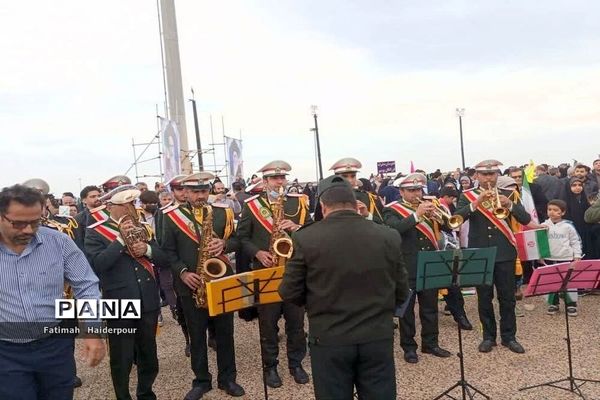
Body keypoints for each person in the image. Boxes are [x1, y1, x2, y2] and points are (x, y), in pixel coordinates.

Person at [279, 175, 410, 400]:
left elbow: (289, 291)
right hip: (376, 335)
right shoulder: (388, 235)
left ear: (322, 206)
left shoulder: (307, 238)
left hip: (330, 337)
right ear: (355, 203)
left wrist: (316, 302)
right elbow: (402, 290)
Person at [0, 184, 106, 400]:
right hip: (5, 353)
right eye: (19, 223)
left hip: (54, 346)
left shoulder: (59, 242)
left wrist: (92, 330)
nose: (28, 230)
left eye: (35, 222)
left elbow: (86, 285)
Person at [161, 172, 245, 400]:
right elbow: (167, 251)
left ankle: (228, 378)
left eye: (204, 191)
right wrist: (182, 272)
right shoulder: (170, 216)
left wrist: (225, 244)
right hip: (191, 283)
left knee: (225, 333)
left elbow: (239, 239)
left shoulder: (222, 212)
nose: (200, 195)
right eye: (195, 191)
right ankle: (201, 380)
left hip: (221, 280)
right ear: (185, 192)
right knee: (197, 334)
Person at [85, 188, 168, 400]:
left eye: (133, 204)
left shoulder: (144, 228)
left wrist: (147, 251)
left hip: (147, 299)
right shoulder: (95, 231)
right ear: (111, 207)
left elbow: (163, 258)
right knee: (122, 357)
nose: (131, 209)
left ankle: (146, 393)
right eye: (126, 206)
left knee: (149, 354)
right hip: (119, 302)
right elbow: (98, 264)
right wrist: (121, 240)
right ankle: (123, 396)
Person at [237, 160, 311, 388]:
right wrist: (257, 253)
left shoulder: (298, 203)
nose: (280, 182)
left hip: (293, 271)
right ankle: (270, 367)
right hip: (265, 270)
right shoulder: (251, 205)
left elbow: (311, 230)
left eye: (282, 178)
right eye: (275, 178)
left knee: (296, 324)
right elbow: (242, 238)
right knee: (267, 325)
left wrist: (297, 228)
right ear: (265, 181)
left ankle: (295, 364)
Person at [454, 160, 531, 354]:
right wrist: (476, 203)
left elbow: (526, 219)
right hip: (479, 252)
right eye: (484, 175)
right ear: (477, 176)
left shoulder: (509, 194)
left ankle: (509, 337)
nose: (489, 178)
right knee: (484, 298)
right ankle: (488, 337)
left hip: (504, 252)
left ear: (497, 175)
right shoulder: (467, 196)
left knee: (507, 298)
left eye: (492, 174)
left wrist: (510, 205)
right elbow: (457, 218)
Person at [383, 173, 452, 363]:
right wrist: (417, 215)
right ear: (401, 191)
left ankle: (431, 343)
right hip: (407, 265)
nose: (416, 193)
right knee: (407, 311)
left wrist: (439, 218)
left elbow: (448, 226)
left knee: (430, 307)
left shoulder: (432, 205)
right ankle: (409, 347)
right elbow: (393, 230)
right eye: (411, 190)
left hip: (430, 262)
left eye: (418, 189)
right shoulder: (392, 209)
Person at [541, 199, 582, 317]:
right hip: (549, 258)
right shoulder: (543, 225)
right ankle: (553, 303)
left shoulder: (568, 226)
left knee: (569, 282)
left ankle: (571, 304)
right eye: (549, 209)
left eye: (555, 210)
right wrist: (540, 256)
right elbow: (540, 242)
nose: (552, 212)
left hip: (566, 258)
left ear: (562, 212)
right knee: (550, 282)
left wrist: (577, 256)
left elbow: (575, 241)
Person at [314, 157, 384, 223]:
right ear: (336, 177)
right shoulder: (326, 198)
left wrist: (368, 215)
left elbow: (382, 225)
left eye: (353, 176)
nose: (350, 180)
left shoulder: (369, 198)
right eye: (344, 176)